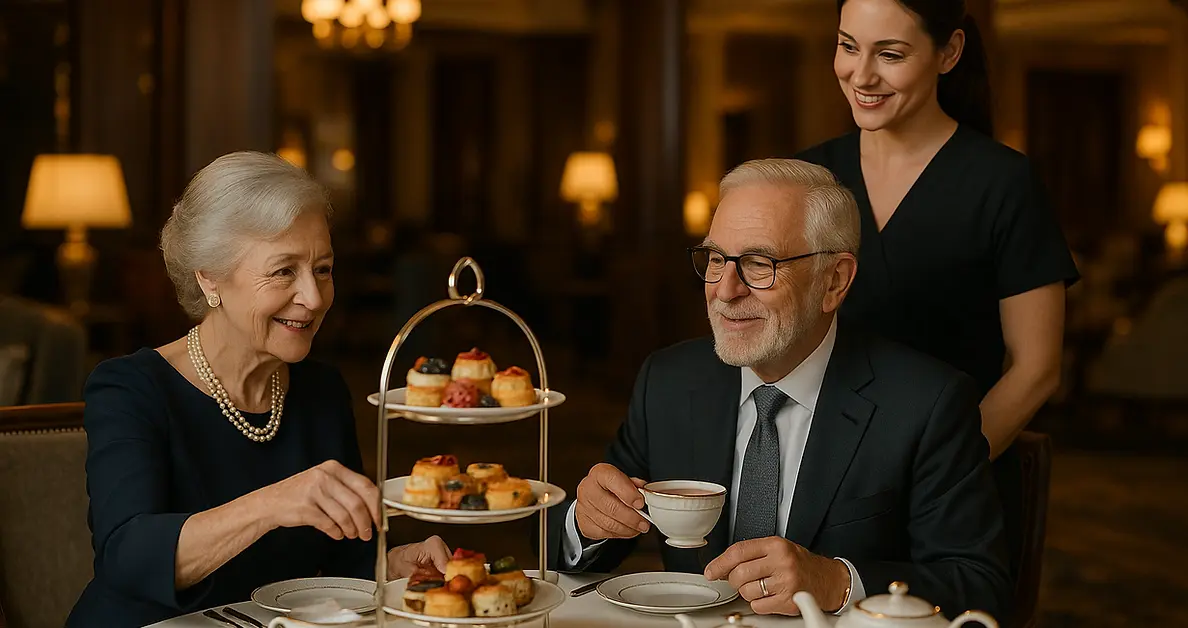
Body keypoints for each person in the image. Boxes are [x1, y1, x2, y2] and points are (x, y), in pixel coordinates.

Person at [548, 159, 1012, 621]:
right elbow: (568, 549)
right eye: (715, 260)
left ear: (834, 281)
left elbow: (979, 585)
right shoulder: (670, 380)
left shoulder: (925, 402)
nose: (725, 290)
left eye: (759, 264)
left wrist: (836, 581)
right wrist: (585, 525)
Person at [67, 152, 450, 627]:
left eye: (324, 269)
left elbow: (342, 560)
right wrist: (272, 504)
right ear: (210, 278)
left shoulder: (321, 390)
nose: (312, 298)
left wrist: (390, 567)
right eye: (284, 270)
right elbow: (127, 557)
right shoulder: (130, 389)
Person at [794, 0, 1080, 575]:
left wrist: (939, 470)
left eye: (890, 54)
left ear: (948, 53)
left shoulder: (1003, 183)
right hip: (814, 483)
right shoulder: (805, 179)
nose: (862, 75)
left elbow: (1036, 367)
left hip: (951, 494)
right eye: (848, 47)